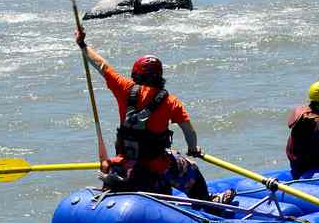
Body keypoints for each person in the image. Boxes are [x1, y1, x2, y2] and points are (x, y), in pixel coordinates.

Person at [74, 28, 232, 203]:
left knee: (160, 159)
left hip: (125, 161)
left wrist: (82, 44)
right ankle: (207, 202)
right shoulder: (172, 102)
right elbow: (189, 132)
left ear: (136, 74)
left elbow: (101, 65)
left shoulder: (124, 88)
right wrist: (193, 148)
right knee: (190, 168)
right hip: (155, 163)